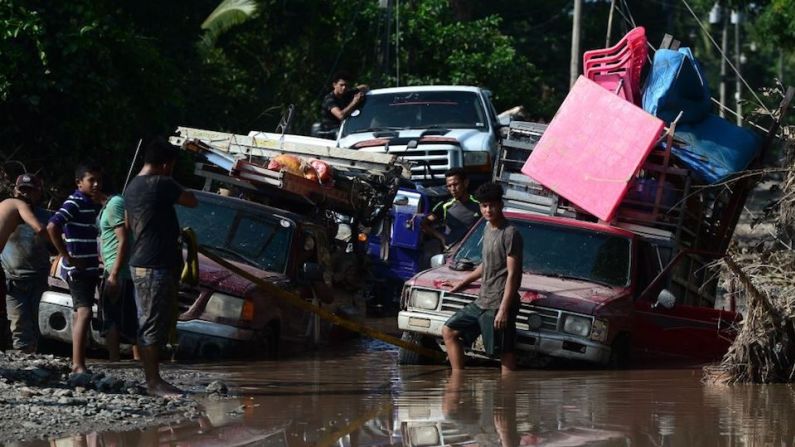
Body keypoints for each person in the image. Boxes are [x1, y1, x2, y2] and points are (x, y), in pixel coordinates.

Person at [124, 138, 197, 397]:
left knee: (150, 320)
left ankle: (152, 379)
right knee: (153, 323)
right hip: (155, 263)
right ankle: (154, 382)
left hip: (141, 261)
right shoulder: (162, 183)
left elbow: (127, 221)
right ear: (167, 164)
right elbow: (191, 200)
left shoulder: (132, 186)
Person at [441, 182, 523, 374]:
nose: (488, 210)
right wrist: (462, 282)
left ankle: (506, 398)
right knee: (449, 331)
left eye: (492, 205)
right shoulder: (487, 228)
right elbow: (487, 264)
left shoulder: (510, 233)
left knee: (504, 352)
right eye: (484, 206)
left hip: (499, 303)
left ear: (500, 204)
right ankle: (457, 383)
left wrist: (503, 309)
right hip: (482, 300)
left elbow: (514, 274)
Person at [47, 163, 103, 373]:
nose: (96, 184)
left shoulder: (89, 202)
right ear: (79, 183)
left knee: (82, 312)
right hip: (78, 270)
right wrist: (66, 256)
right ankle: (78, 364)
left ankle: (79, 362)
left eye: (99, 180)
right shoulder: (75, 202)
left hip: (88, 268)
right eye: (91, 180)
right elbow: (53, 226)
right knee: (85, 312)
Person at [1, 174, 51, 352]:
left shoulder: (46, 217)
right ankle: (23, 361)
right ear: (15, 190)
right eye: (22, 189)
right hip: (13, 280)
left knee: (40, 326)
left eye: (30, 190)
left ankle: (35, 360)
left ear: (39, 193)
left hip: (39, 279)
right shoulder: (13, 209)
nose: (25, 194)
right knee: (19, 327)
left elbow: (51, 237)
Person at [97, 188, 139, 361]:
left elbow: (123, 239)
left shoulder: (114, 204)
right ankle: (138, 364)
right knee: (129, 320)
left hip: (118, 271)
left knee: (112, 318)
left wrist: (113, 275)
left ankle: (115, 362)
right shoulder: (107, 206)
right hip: (118, 269)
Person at [421, 168, 481, 251]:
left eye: (456, 184)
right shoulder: (445, 205)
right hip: (451, 252)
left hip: (473, 251)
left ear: (466, 183)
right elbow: (424, 224)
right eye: (449, 186)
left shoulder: (480, 204)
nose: (453, 189)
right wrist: (441, 238)